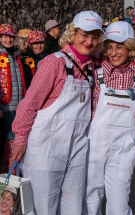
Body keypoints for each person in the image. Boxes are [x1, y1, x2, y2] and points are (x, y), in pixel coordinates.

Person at [11, 10, 104, 215]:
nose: (89, 41)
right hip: (46, 147)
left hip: (77, 146)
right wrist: (20, 138)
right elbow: (30, 103)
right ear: (73, 33)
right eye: (84, 34)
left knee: (73, 205)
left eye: (94, 36)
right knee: (44, 205)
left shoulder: (92, 68)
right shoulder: (55, 62)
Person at [82, 21, 135, 215]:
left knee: (119, 203)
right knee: (90, 198)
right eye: (109, 47)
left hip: (124, 146)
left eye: (119, 47)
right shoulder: (96, 73)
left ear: (130, 47)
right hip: (95, 143)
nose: (114, 52)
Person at [0, 23, 26, 174]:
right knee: (11, 138)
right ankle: (9, 172)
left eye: (11, 37)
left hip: (19, 104)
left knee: (15, 138)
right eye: (6, 37)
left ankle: (12, 170)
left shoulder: (16, 55)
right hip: (6, 105)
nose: (9, 40)